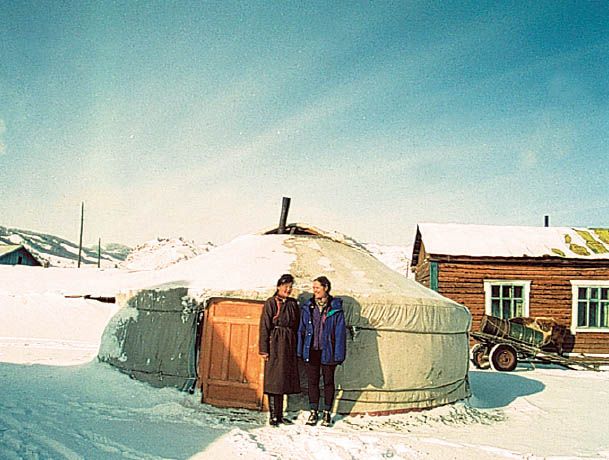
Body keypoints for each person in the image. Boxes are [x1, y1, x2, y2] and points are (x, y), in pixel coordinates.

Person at [297, 276, 346, 427]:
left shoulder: (335, 309)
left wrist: (339, 355)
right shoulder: (308, 307)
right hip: (311, 350)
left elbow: (340, 334)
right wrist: (300, 350)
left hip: (328, 351)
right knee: (312, 382)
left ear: (325, 288)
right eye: (313, 288)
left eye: (317, 288)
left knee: (328, 382)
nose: (315, 291)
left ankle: (326, 413)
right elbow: (302, 330)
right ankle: (313, 411)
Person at [259, 273, 301, 426]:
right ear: (278, 287)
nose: (288, 289)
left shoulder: (293, 303)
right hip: (275, 343)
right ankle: (272, 416)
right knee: (274, 380)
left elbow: (297, 325)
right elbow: (264, 326)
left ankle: (280, 415)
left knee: (283, 380)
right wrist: (264, 349)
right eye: (285, 286)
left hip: (288, 344)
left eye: (290, 287)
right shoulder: (271, 302)